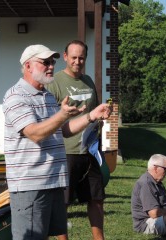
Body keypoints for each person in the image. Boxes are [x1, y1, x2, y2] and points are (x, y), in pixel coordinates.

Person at [2, 44, 112, 240]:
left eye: (52, 62)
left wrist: (91, 116)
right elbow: (34, 133)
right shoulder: (16, 96)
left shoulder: (47, 96)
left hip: (52, 182)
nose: (51, 66)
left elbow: (61, 131)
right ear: (28, 66)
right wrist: (62, 115)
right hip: (31, 185)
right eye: (45, 62)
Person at [46, 40, 105, 240]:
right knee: (64, 202)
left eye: (81, 58)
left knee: (96, 199)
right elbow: (49, 120)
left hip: (90, 150)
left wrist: (102, 115)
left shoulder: (88, 81)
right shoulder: (54, 83)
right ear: (65, 57)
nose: (77, 61)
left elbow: (93, 112)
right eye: (73, 57)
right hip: (66, 151)